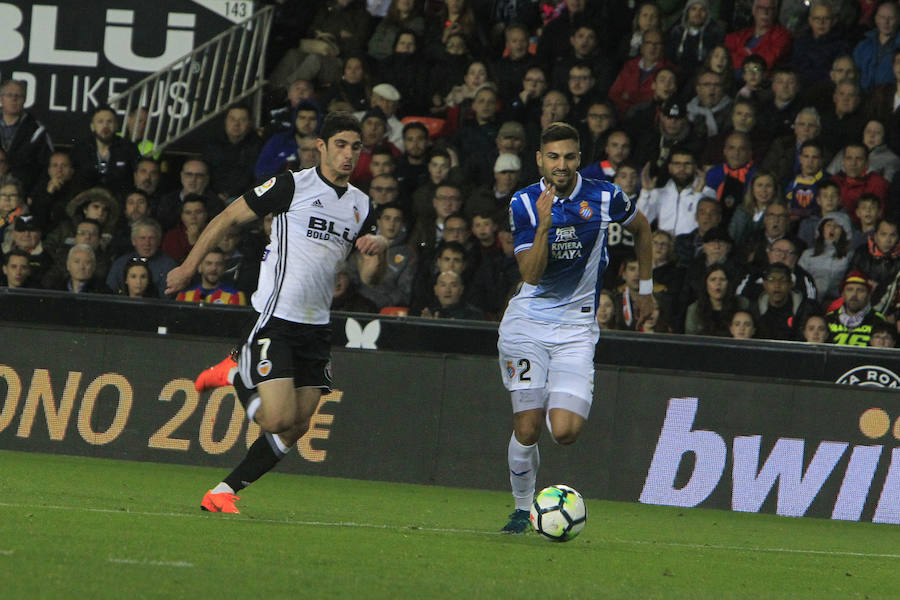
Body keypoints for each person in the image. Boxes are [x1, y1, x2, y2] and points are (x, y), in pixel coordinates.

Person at [165, 112, 388, 514]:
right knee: (275, 419)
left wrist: (379, 251)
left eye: (356, 147)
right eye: (340, 145)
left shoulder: (361, 205)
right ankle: (235, 372)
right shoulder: (291, 185)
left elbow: (371, 278)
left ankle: (222, 491)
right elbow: (226, 217)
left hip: (318, 327)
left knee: (297, 426)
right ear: (321, 147)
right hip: (278, 319)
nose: (348, 154)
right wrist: (187, 267)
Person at [497, 122, 653, 533]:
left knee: (564, 432)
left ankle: (554, 389)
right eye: (553, 157)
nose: (561, 165)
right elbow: (530, 275)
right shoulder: (525, 203)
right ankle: (521, 509)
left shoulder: (604, 195)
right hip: (527, 324)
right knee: (528, 427)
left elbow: (642, 229)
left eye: (568, 156)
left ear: (579, 158)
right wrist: (545, 224)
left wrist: (647, 287)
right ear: (539, 159)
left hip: (575, 329)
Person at [0, 79, 53, 192]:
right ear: (1, 98)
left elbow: (46, 167)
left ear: (24, 100)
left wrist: (33, 194)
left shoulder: (37, 131)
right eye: (9, 95)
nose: (14, 99)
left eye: (18, 96)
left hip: (22, 193)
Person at [825, 270, 887, 345]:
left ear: (869, 296)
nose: (854, 294)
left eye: (860, 290)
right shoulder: (829, 319)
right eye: (849, 290)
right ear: (842, 294)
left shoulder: (878, 321)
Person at [175, 247, 248, 305]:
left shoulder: (235, 296)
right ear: (199, 267)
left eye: (218, 264)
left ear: (224, 268)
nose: (213, 268)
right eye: (208, 263)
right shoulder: (184, 296)